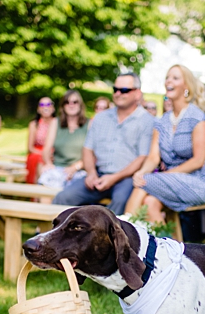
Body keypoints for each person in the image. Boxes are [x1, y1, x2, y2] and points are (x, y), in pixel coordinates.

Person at [53, 73, 155, 214]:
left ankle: (105, 236)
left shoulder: (147, 120)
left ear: (137, 93)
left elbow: (142, 157)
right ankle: (53, 235)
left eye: (124, 90)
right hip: (98, 175)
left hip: (126, 179)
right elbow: (87, 149)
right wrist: (91, 173)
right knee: (63, 197)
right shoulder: (101, 118)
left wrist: (114, 178)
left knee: (120, 203)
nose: (118, 93)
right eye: (115, 89)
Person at [124, 65, 205, 222]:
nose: (168, 81)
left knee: (144, 182)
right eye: (167, 77)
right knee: (149, 202)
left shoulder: (197, 118)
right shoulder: (162, 121)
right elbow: (153, 157)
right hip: (168, 182)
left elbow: (199, 161)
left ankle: (123, 228)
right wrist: (141, 172)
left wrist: (164, 176)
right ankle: (169, 244)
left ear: (186, 86)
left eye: (175, 78)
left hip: (198, 183)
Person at [38, 90, 88, 189]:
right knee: (46, 182)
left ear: (80, 105)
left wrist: (75, 167)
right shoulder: (55, 122)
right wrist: (48, 163)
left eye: (75, 102)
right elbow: (46, 148)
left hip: (80, 169)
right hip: (58, 167)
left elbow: (93, 154)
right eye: (67, 102)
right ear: (63, 106)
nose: (71, 105)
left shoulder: (89, 124)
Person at [26, 97, 56, 183]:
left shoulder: (58, 123)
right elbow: (30, 148)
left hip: (54, 152)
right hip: (37, 152)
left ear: (53, 108)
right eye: (42, 105)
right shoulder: (34, 124)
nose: (45, 107)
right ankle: (37, 189)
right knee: (39, 159)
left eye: (48, 104)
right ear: (38, 109)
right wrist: (44, 154)